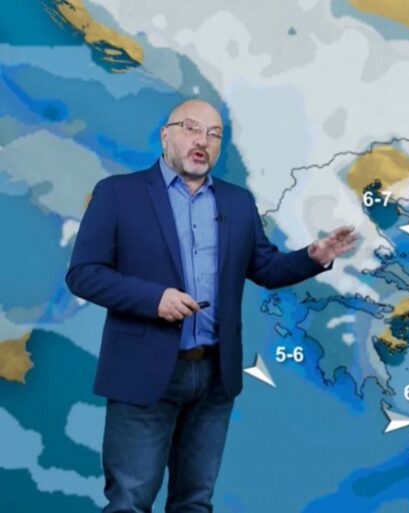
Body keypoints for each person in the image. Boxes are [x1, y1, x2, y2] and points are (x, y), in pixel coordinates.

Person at [66, 98, 357, 512]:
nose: (202, 140)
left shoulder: (237, 202)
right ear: (165, 135)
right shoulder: (118, 194)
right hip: (143, 373)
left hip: (214, 377)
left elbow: (266, 268)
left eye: (214, 134)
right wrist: (154, 299)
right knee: (129, 502)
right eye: (191, 128)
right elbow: (84, 273)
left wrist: (313, 256)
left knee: (195, 502)